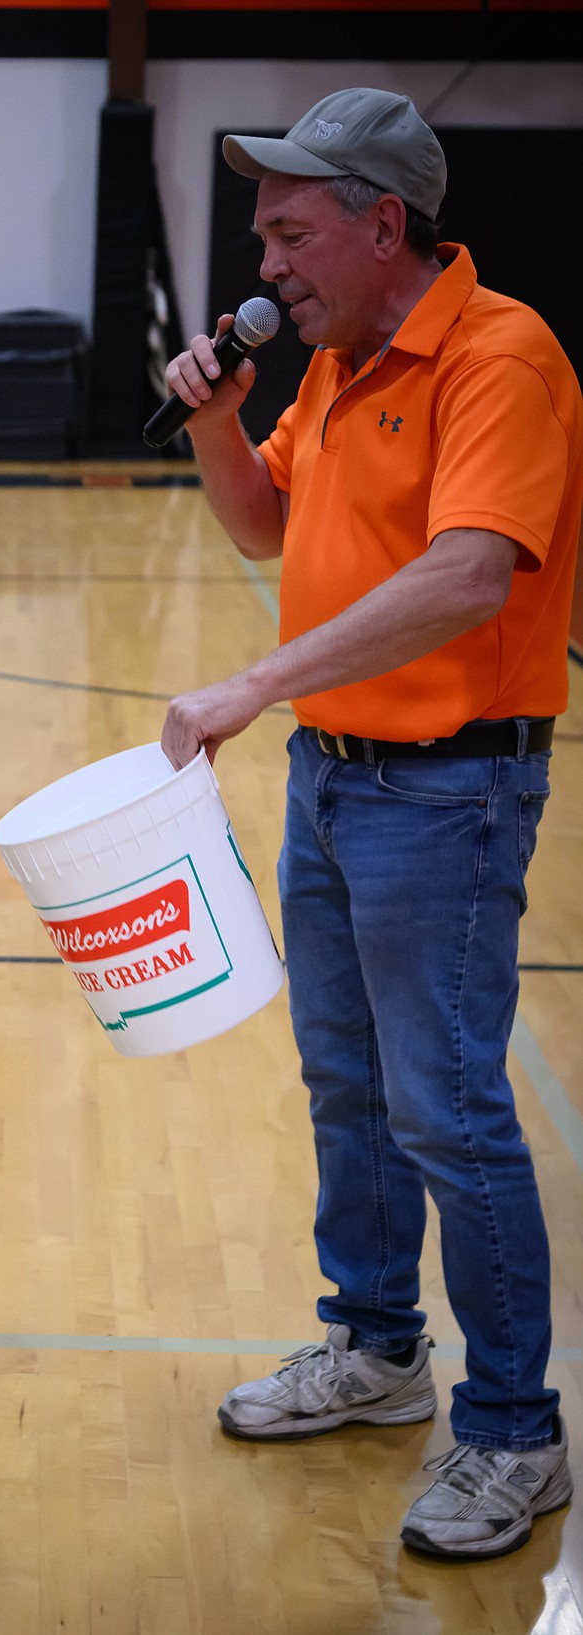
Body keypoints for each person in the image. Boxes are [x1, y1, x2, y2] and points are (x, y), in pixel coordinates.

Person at [159, 87, 582, 1559]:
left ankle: (513, 1429)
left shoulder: (497, 354)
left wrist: (254, 683)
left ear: (378, 221)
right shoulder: (336, 362)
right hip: (336, 782)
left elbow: (471, 572)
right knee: (347, 1087)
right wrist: (217, 416)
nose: (264, 259)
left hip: (448, 791)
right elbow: (263, 526)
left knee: (449, 1113)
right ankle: (379, 1346)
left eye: (288, 228)